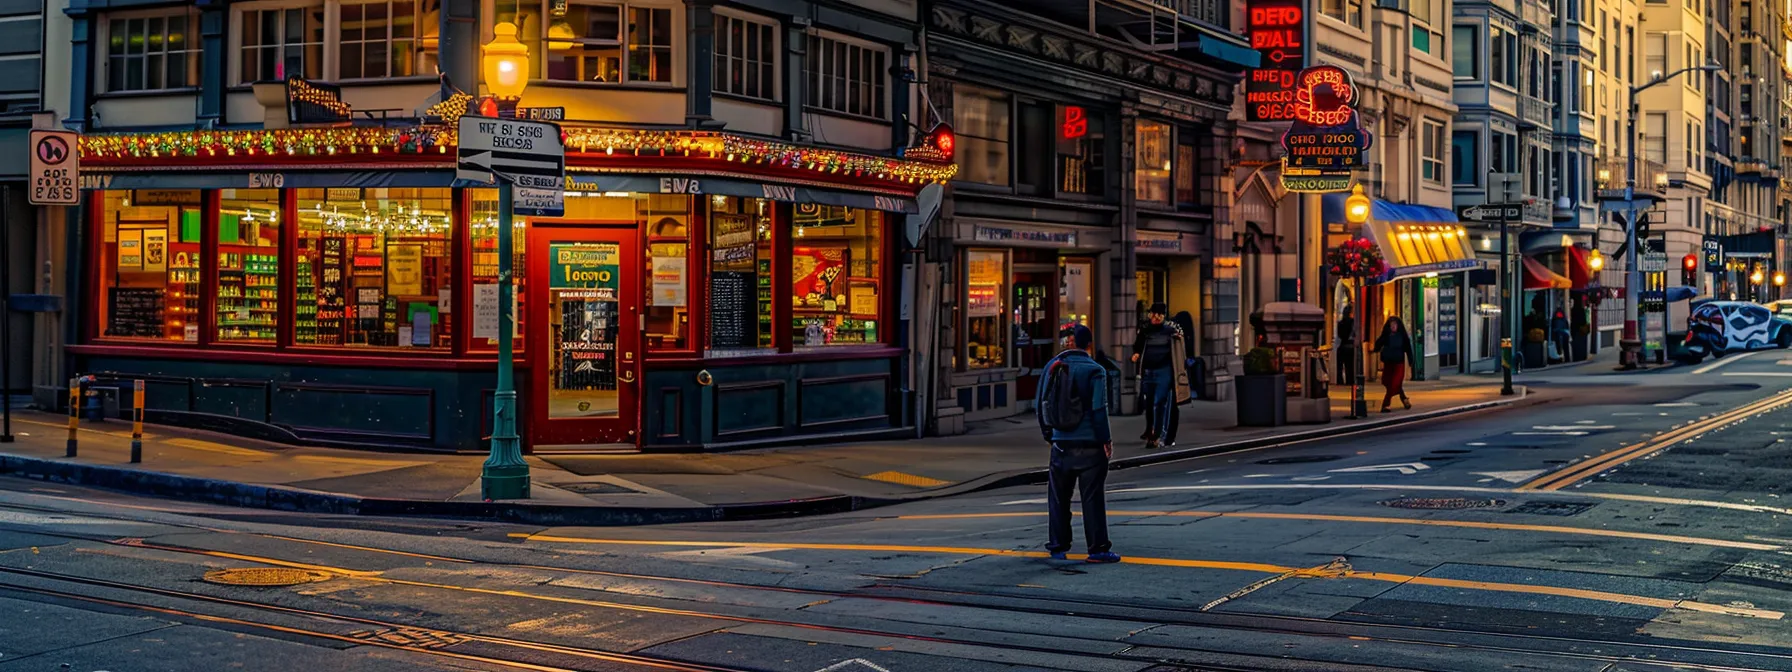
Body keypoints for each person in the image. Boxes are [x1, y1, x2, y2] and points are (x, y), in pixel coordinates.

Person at [1036, 324, 1119, 564]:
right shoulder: (1095, 370)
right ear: (1089, 345)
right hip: (1090, 445)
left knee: (1058, 498)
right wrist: (1106, 440)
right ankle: (1098, 549)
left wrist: (1050, 435)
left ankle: (1058, 546)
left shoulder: (1051, 368)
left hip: (1060, 444)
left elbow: (1041, 405)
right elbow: (1098, 409)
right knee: (1092, 498)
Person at [1131, 303, 1189, 449]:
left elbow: (1180, 343)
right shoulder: (1145, 330)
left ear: (1164, 316)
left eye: (1160, 315)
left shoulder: (1170, 330)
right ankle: (1152, 431)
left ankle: (1156, 436)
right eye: (1154, 314)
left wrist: (1178, 338)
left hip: (1164, 370)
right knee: (1149, 403)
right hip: (1148, 371)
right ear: (1150, 314)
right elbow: (1138, 344)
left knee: (1160, 402)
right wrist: (1136, 354)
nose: (1156, 317)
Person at [1372, 317, 1413, 413]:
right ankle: (1404, 400)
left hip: (1399, 363)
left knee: (1394, 383)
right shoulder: (1386, 335)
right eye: (1391, 325)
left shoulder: (1402, 336)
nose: (1393, 326)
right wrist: (1376, 348)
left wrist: (1411, 360)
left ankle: (1386, 404)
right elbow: (1379, 343)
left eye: (1395, 324)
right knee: (1389, 382)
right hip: (1389, 363)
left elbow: (1408, 348)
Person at [1336, 305, 1358, 392]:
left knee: (1340, 366)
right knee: (1350, 366)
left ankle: (1340, 381)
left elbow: (1339, 335)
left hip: (1342, 345)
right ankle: (1349, 381)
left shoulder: (1340, 323)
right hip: (1350, 346)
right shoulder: (1353, 322)